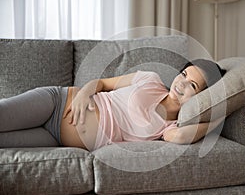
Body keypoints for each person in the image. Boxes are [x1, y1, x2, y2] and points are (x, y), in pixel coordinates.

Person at [0, 59, 226, 151]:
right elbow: (102, 83)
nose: (181, 83)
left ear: (202, 97)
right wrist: (83, 93)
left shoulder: (170, 127)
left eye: (193, 85)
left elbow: (180, 138)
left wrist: (218, 119)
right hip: (56, 102)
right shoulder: (150, 79)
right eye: (184, 74)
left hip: (56, 139)